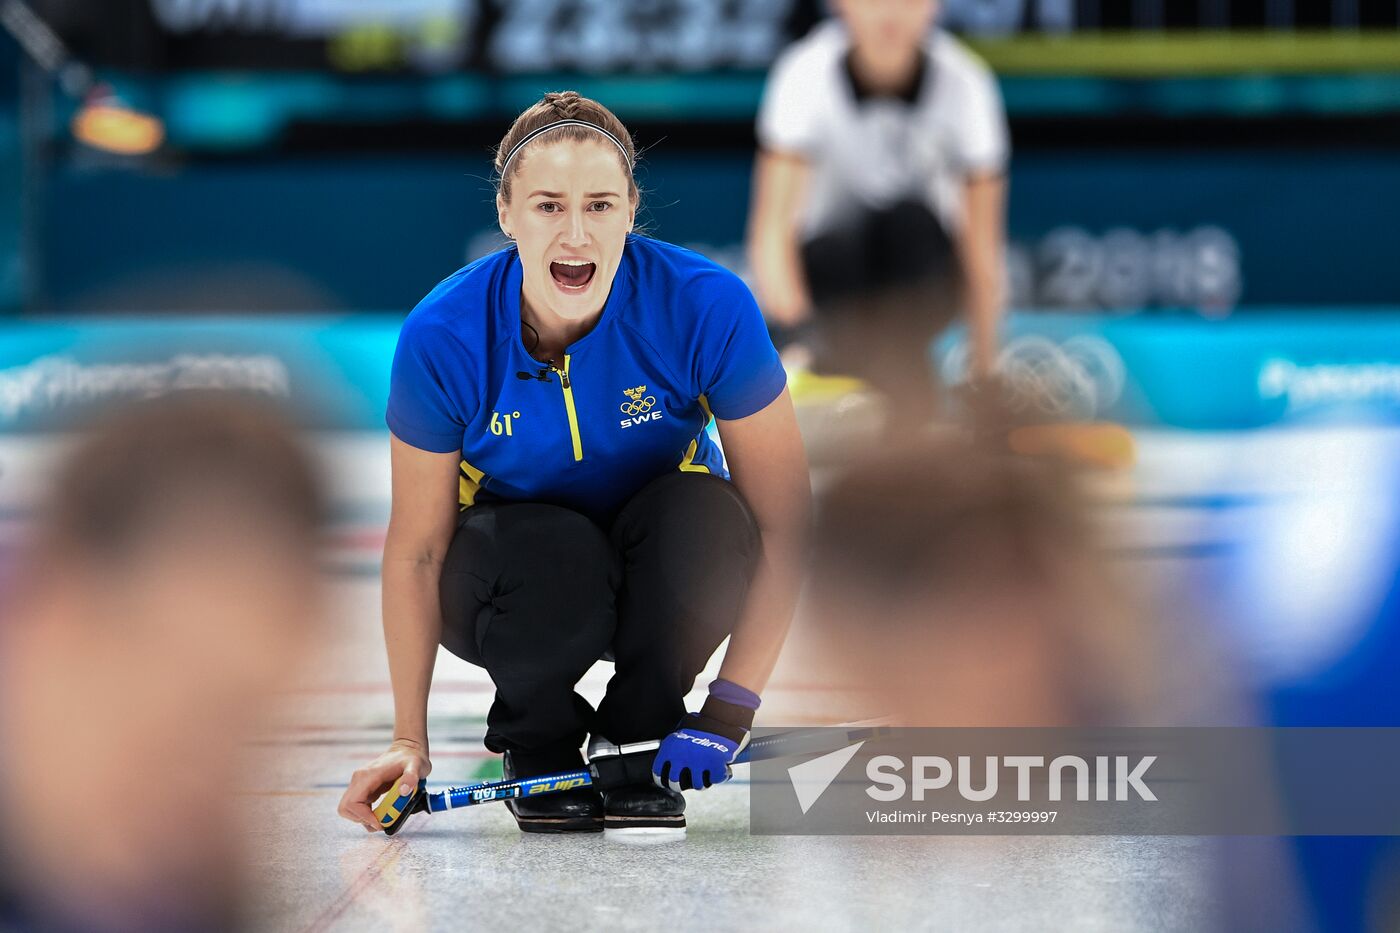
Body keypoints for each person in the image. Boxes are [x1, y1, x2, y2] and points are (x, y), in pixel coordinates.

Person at [337, 91, 811, 835]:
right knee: (553, 550)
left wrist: (729, 708)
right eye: (549, 206)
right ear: (507, 213)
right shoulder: (443, 333)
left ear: (631, 210)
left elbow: (787, 525)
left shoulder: (707, 305)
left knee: (711, 521)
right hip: (523, 583)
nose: (576, 234)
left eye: (598, 205)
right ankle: (538, 739)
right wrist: (408, 739)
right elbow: (421, 549)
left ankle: (642, 724)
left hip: (658, 563)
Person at [0, 392, 326, 932]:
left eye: (240, 723)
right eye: (187, 707)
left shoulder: (170, 887)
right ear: (52, 614)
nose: (201, 782)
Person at [747, 0, 1009, 425]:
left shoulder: (968, 83)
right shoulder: (802, 74)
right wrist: (797, 340)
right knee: (835, 253)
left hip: (923, 280)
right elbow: (773, 231)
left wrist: (985, 369)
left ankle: (902, 397)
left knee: (910, 226)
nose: (889, 14)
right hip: (831, 282)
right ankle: (852, 374)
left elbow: (981, 243)